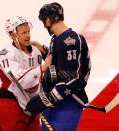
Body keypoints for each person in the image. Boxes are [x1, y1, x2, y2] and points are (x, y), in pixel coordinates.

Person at [26, 2, 91, 131]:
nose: (44, 26)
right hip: (56, 102)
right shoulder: (59, 38)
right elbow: (60, 64)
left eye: (44, 22)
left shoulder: (70, 41)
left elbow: (73, 81)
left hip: (68, 104)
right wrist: (42, 49)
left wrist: (45, 99)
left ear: (49, 20)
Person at [0, 16, 52, 131]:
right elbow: (20, 80)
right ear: (13, 35)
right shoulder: (5, 53)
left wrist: (44, 49)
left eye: (28, 31)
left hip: (31, 108)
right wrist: (43, 68)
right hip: (9, 107)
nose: (28, 35)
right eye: (23, 32)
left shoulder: (35, 51)